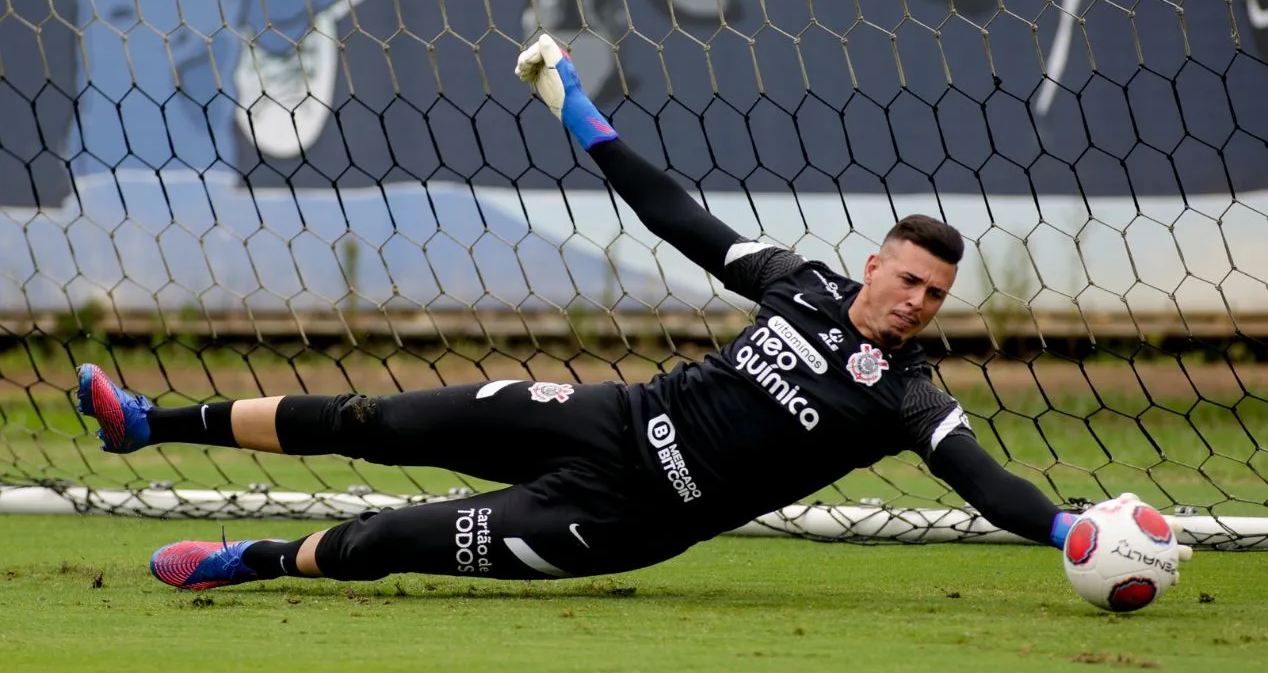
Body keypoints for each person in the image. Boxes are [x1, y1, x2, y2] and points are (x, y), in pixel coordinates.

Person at [77, 34, 1121, 591]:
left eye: (933, 295)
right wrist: (579, 113)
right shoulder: (796, 282)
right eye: (906, 280)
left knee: (385, 536)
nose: (916, 301)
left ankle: (236, 564)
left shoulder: (904, 396)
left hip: (621, 518)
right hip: (603, 417)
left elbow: (984, 480)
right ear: (871, 266)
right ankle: (147, 423)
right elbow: (677, 216)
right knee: (376, 421)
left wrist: (1066, 527)